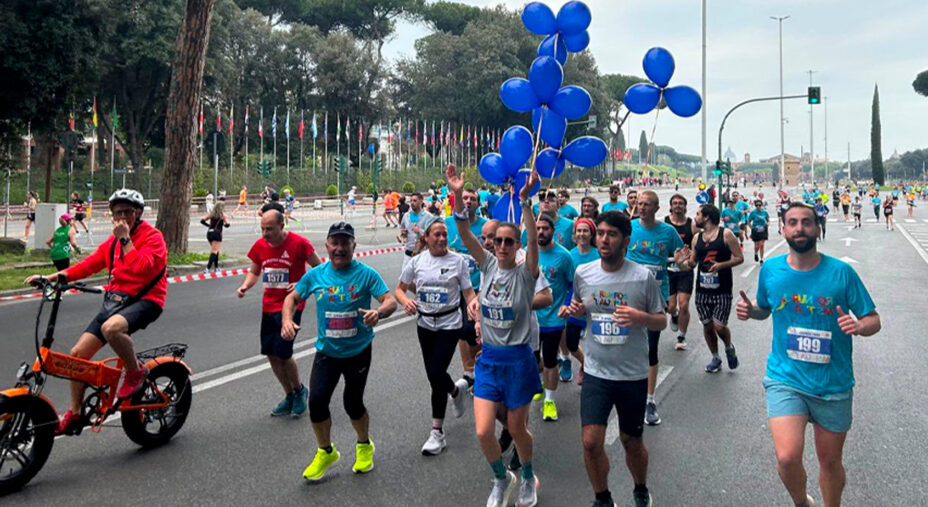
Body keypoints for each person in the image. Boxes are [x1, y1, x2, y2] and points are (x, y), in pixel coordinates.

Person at [736, 202, 880, 507]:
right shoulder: (772, 270)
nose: (799, 228)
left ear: (817, 228)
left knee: (830, 464)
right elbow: (765, 308)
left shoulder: (842, 273)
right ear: (783, 229)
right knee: (787, 457)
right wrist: (752, 311)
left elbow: (873, 320)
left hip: (833, 385)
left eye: (806, 222)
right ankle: (802, 502)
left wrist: (858, 325)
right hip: (785, 379)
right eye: (793, 223)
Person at [25, 189, 166, 434]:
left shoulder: (153, 238)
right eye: (117, 213)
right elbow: (88, 266)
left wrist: (125, 240)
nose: (121, 217)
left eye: (127, 212)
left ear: (138, 213)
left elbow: (142, 269)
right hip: (116, 301)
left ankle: (136, 372)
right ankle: (76, 413)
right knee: (77, 355)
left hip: (147, 300)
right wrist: (49, 278)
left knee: (111, 328)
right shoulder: (111, 243)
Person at [448, 163, 543, 507]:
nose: (501, 246)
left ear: (516, 246)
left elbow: (533, 239)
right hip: (488, 361)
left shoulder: (526, 274)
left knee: (517, 430)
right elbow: (464, 232)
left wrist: (527, 203)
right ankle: (502, 478)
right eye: (497, 241)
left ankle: (528, 475)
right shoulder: (486, 265)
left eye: (508, 242)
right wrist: (458, 194)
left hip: (518, 360)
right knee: (483, 431)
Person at [281, 222, 397, 481]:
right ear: (327, 246)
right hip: (327, 353)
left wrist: (377, 313)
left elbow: (390, 301)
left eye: (345, 243)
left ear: (354, 246)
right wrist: (287, 320)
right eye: (335, 242)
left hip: (358, 351)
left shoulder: (366, 274)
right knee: (316, 402)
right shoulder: (316, 275)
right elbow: (292, 298)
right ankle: (326, 452)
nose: (340, 248)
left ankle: (364, 445)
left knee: (352, 404)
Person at [567, 211, 666, 507]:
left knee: (631, 441)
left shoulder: (641, 277)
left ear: (626, 240)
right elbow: (584, 306)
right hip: (597, 372)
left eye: (611, 234)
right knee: (590, 442)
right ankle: (603, 498)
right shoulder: (584, 273)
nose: (604, 239)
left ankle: (639, 488)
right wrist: (576, 310)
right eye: (600, 233)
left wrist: (640, 317)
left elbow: (660, 321)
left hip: (632, 375)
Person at [395, 216, 476, 456]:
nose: (441, 238)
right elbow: (400, 289)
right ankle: (455, 391)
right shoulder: (417, 261)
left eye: (444, 234)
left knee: (435, 372)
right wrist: (407, 301)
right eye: (436, 235)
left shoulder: (458, 261)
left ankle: (436, 432)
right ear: (426, 239)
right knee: (435, 377)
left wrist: (473, 306)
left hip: (450, 323)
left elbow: (469, 292)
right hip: (424, 324)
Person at [236, 211, 322, 417]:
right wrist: (245, 286)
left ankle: (300, 391)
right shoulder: (259, 246)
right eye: (262, 228)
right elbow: (255, 271)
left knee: (284, 353)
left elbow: (319, 268)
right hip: (269, 306)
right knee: (271, 353)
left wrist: (302, 284)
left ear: (281, 226)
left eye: (270, 229)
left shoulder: (300, 243)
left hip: (292, 305)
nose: (265, 233)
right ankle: (289, 394)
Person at [626, 190, 685, 426]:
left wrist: (684, 261)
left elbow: (681, 255)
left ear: (657, 208)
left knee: (650, 349)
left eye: (647, 204)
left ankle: (649, 400)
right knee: (628, 348)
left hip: (655, 299)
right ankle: (628, 393)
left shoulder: (667, 232)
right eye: (640, 204)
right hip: (629, 296)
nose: (642, 207)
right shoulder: (629, 228)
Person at [682, 204, 743, 373]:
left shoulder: (726, 235)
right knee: (707, 325)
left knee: (719, 326)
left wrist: (721, 265)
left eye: (698, 214)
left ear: (707, 217)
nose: (696, 217)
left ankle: (729, 348)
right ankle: (715, 357)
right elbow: (693, 263)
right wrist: (683, 262)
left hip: (722, 289)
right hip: (702, 290)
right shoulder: (697, 238)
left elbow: (739, 258)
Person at [533, 213, 575, 422]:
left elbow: (571, 284)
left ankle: (549, 401)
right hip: (531, 318)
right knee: (534, 359)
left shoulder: (564, 256)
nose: (541, 232)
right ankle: (542, 381)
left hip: (554, 318)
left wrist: (566, 305)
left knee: (550, 359)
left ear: (553, 232)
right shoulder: (527, 254)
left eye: (545, 228)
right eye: (538, 228)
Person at [565, 218, 598, 383]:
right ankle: (585, 363)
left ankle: (592, 372)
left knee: (595, 344)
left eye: (585, 230)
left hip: (596, 306)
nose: (582, 234)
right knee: (570, 343)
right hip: (575, 305)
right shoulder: (569, 255)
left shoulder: (599, 254)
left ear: (592, 234)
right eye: (579, 230)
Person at [664, 194, 697, 350]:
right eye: (675, 203)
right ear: (670, 206)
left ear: (685, 206)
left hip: (685, 270)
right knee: (671, 306)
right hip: (668, 270)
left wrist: (693, 259)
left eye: (680, 203)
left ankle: (682, 336)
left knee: (683, 304)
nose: (677, 206)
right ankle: (674, 315)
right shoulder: (664, 224)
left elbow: (698, 243)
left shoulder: (692, 225)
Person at [398, 192, 434, 271]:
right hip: (408, 254)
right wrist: (402, 234)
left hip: (422, 254)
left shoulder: (428, 217)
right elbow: (401, 233)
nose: (412, 203)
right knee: (405, 280)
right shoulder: (406, 216)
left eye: (415, 201)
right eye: (411, 201)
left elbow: (433, 236)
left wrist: (420, 231)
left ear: (421, 201)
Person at [200, 201, 230, 273]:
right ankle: (208, 268)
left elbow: (202, 220)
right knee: (214, 251)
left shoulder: (211, 214)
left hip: (209, 233)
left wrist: (209, 226)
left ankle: (216, 267)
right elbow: (228, 224)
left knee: (216, 250)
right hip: (217, 234)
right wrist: (224, 225)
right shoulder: (223, 215)